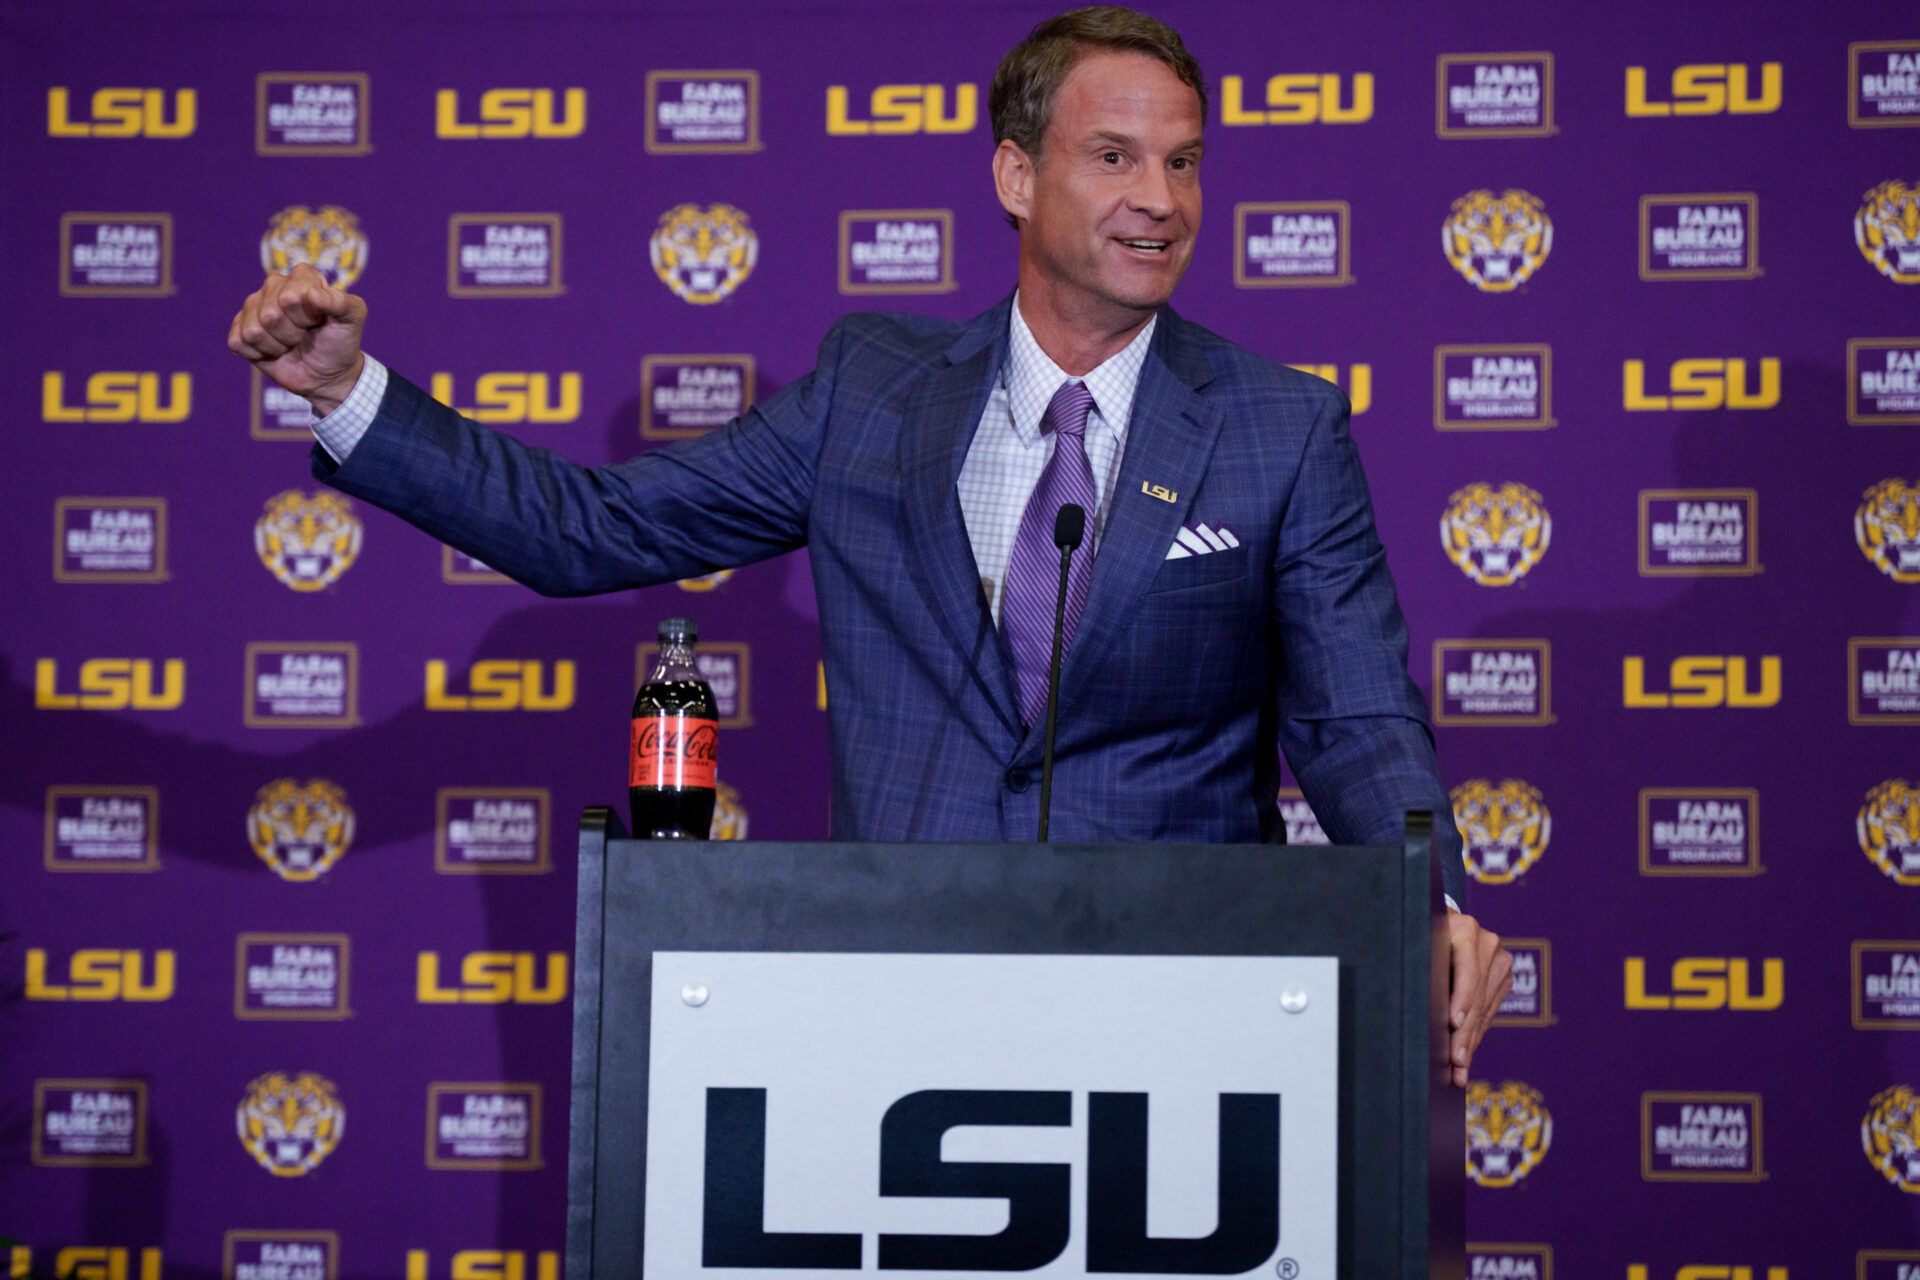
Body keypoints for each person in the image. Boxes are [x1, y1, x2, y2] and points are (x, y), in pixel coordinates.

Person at [227, 7, 1511, 1084]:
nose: (1159, 201)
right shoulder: (871, 391)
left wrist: (1435, 901)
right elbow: (590, 528)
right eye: (1115, 156)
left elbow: (1355, 719)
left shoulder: (1278, 424)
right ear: (1017, 175)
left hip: (1179, 1010)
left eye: (1184, 164)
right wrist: (348, 392)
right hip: (903, 1001)